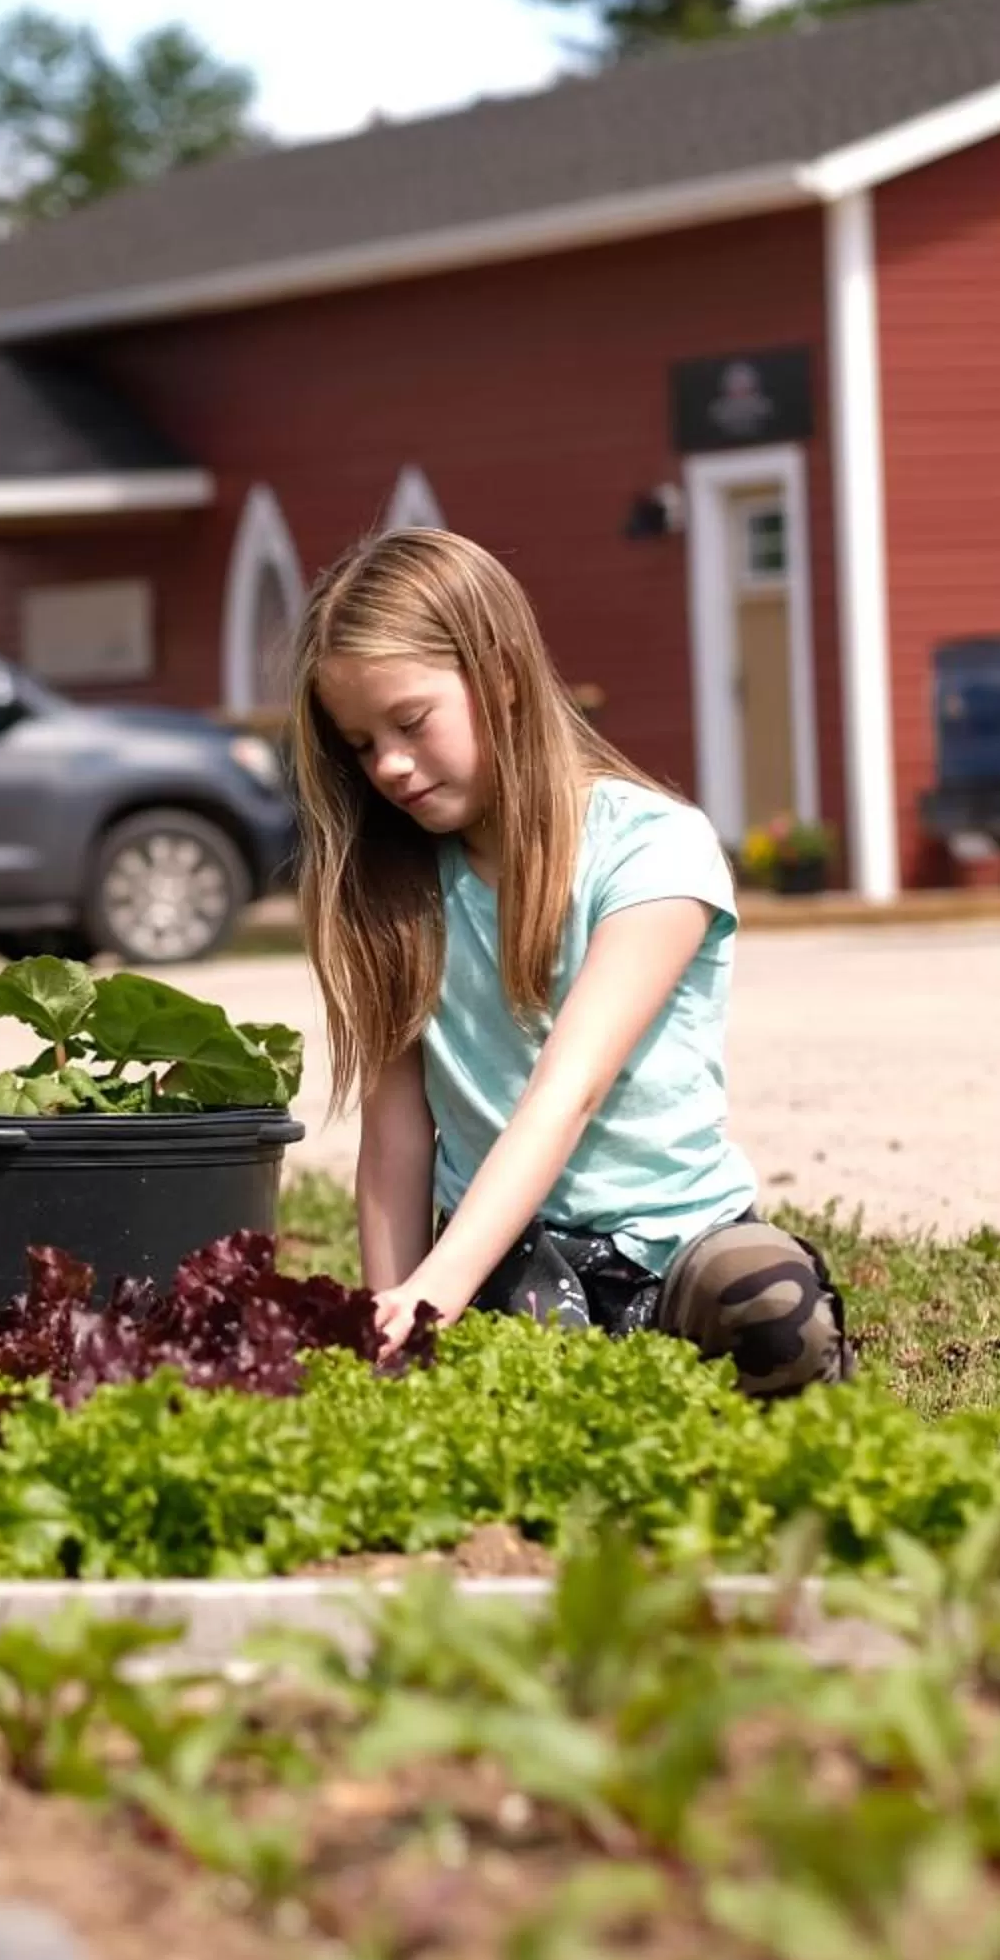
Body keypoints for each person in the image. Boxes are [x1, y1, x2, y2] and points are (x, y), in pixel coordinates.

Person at [290, 527, 848, 1393]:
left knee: (772, 1308)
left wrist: (437, 1287)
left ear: (503, 676)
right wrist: (392, 1315)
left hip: (683, 1246)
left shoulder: (657, 850)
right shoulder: (394, 892)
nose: (390, 766)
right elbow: (396, 1135)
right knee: (515, 1391)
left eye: (410, 722)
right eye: (361, 744)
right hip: (515, 1263)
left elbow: (568, 1093)